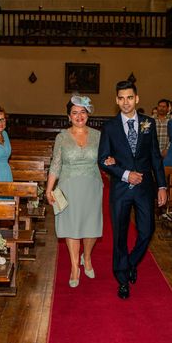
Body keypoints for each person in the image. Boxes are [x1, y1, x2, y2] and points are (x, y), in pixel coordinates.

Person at [98, 81, 167, 299]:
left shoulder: (149, 123)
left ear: (136, 98)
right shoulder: (109, 127)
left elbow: (155, 156)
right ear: (116, 100)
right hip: (120, 188)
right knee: (119, 235)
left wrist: (162, 185)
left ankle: (129, 263)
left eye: (129, 97)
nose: (125, 102)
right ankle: (122, 279)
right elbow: (102, 159)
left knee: (147, 231)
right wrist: (126, 173)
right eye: (121, 98)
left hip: (145, 189)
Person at [46, 95, 103, 287]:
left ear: (88, 114)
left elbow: (105, 158)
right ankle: (74, 267)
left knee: (91, 226)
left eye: (83, 112)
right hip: (68, 186)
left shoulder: (98, 136)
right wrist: (49, 189)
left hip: (92, 185)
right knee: (71, 226)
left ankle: (86, 257)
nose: (79, 116)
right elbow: (55, 164)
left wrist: (111, 161)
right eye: (74, 113)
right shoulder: (61, 137)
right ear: (69, 116)